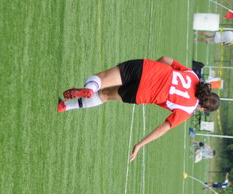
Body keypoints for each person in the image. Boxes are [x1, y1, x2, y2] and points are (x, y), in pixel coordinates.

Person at [57, 57, 221, 162]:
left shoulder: (192, 76)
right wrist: (140, 144)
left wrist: (154, 69)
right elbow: (162, 128)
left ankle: (89, 88)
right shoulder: (187, 109)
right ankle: (64, 106)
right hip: (142, 94)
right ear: (202, 107)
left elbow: (166, 59)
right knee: (105, 95)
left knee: (100, 79)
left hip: (145, 68)